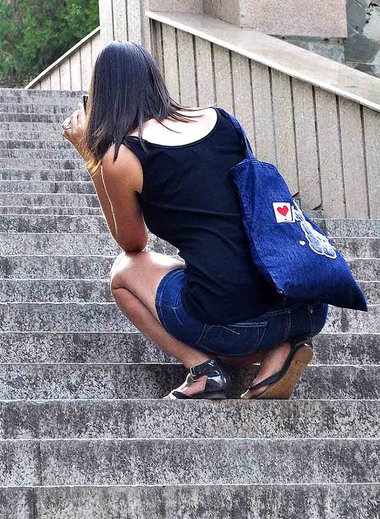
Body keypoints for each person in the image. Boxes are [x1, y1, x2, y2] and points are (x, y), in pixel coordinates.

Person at [61, 41, 328, 399]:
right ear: (154, 81)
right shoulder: (221, 120)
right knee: (219, 270)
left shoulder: (122, 155)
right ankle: (281, 350)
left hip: (240, 324)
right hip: (308, 303)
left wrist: (93, 160)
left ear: (101, 97)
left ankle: (203, 371)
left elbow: (132, 243)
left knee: (123, 273)